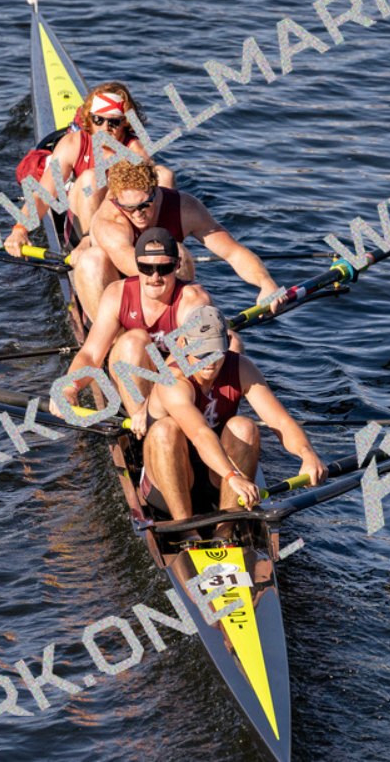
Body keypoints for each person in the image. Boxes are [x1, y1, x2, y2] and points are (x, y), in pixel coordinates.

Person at [140, 306, 328, 535]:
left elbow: (281, 421)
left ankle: (225, 532)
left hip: (219, 481)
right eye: (201, 352)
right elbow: (199, 434)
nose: (209, 362)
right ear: (183, 344)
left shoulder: (241, 368)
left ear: (227, 343)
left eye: (216, 352)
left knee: (244, 427)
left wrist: (307, 453)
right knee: (165, 430)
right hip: (169, 482)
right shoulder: (172, 379)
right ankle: (186, 531)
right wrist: (233, 476)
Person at [57, 228, 243, 434]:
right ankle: (146, 432)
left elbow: (180, 363)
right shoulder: (117, 294)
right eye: (146, 268)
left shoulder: (194, 301)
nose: (155, 277)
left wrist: (152, 405)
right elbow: (91, 354)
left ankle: (180, 424)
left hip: (180, 381)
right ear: (136, 265)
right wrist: (70, 387)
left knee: (233, 343)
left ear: (177, 265)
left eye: (164, 268)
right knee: (132, 342)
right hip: (135, 376)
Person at [70, 159, 283, 323]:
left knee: (176, 253)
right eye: (129, 208)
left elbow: (233, 253)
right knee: (92, 261)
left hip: (165, 287)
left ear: (156, 190)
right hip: (121, 284)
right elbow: (138, 267)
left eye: (145, 205)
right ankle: (112, 340)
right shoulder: (109, 221)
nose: (138, 215)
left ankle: (181, 328)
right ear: (117, 200)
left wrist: (266, 284)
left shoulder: (184, 208)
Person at [5, 82, 174, 256]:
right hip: (82, 228)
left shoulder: (136, 151)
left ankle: (162, 246)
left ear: (125, 123)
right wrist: (19, 229)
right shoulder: (72, 144)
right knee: (90, 179)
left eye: (113, 122)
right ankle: (88, 244)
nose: (105, 128)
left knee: (164, 176)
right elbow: (42, 196)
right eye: (98, 120)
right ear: (90, 120)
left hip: (122, 225)